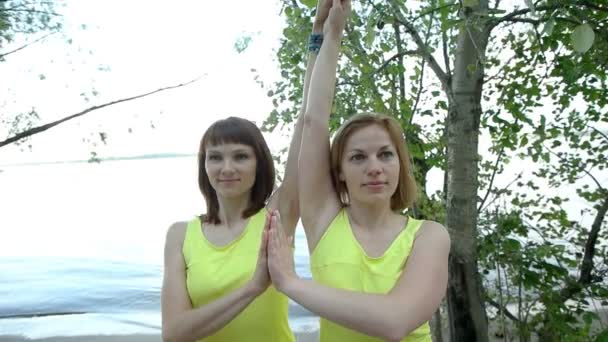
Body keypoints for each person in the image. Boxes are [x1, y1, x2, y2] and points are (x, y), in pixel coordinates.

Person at [266, 0, 451, 341]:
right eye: (357, 158)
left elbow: (394, 320)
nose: (375, 168)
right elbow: (312, 121)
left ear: (400, 164)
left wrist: (291, 283)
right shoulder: (323, 220)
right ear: (338, 172)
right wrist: (325, 34)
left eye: (385, 155)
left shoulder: (429, 236)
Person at [159, 1, 335, 340]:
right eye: (215, 157)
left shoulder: (277, 216)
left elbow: (307, 119)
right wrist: (253, 287)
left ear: (260, 164)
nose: (227, 168)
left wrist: (319, 38)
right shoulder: (180, 236)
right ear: (204, 165)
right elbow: (174, 332)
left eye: (241, 156)